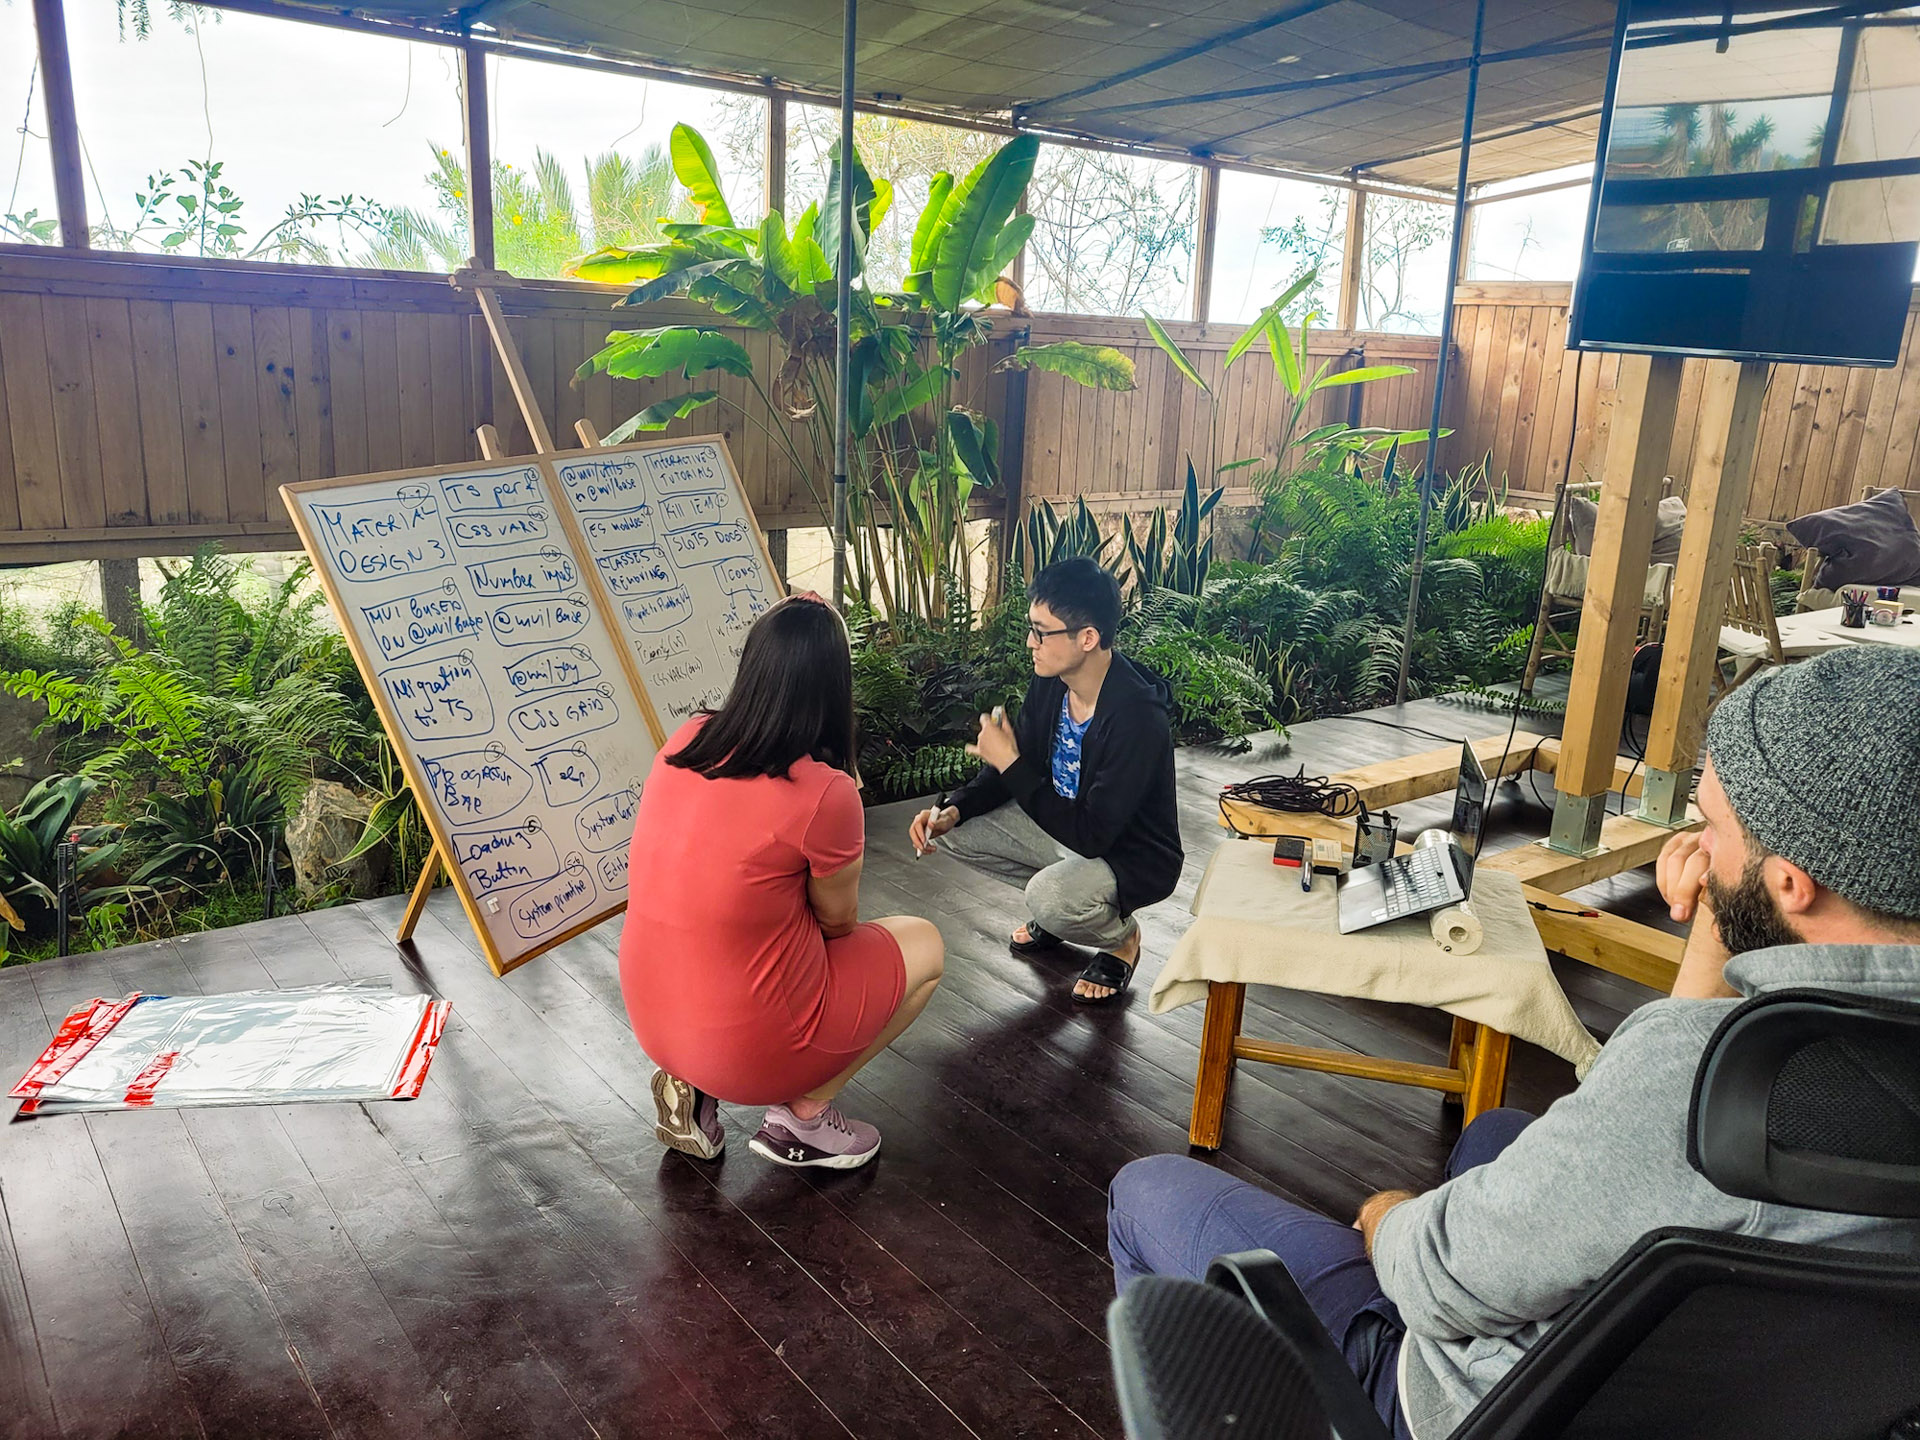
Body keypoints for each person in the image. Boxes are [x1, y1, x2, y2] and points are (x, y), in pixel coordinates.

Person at [1107, 645, 1920, 1440]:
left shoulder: (1692, 1083)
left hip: (1480, 1405)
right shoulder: (1753, 1076)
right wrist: (1719, 906)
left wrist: (1390, 1218)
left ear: (1790, 884)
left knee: (1145, 1193)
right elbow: (1673, 1110)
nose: (1695, 850)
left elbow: (1435, 1279)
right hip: (1744, 1392)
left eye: (1710, 827)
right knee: (1494, 1132)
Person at [620, 594, 944, 1170]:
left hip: (652, 1016)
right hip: (742, 1043)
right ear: (834, 687)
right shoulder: (825, 792)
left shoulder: (686, 738)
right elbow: (838, 924)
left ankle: (694, 1087)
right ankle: (803, 1117)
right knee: (925, 945)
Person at [908, 557, 1183, 1003]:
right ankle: (1063, 912)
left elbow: (1092, 834)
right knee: (955, 829)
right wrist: (954, 809)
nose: (1029, 642)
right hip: (1062, 827)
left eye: (1041, 632)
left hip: (1125, 853)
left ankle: (1119, 938)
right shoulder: (1053, 682)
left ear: (1087, 638)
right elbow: (1018, 769)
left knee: (1049, 897)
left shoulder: (1137, 719)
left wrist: (1010, 763)